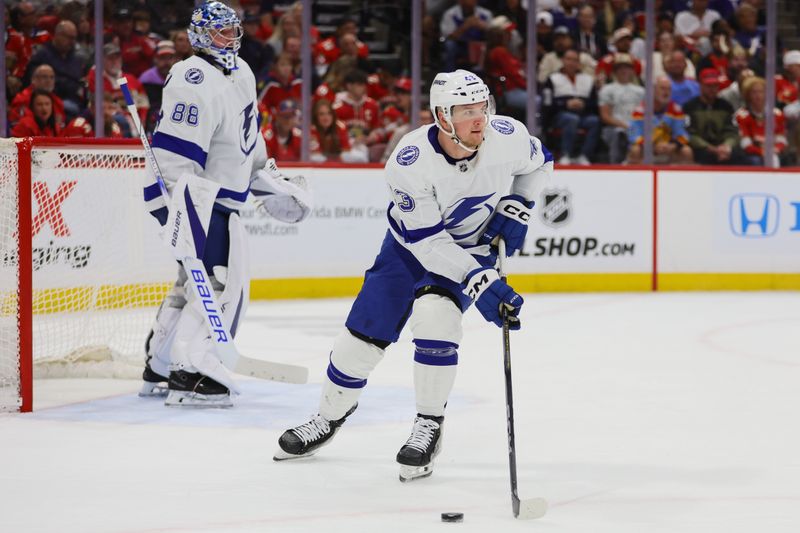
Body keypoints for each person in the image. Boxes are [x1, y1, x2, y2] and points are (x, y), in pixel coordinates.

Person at [275, 70, 553, 483]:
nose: (479, 119)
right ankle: (328, 416)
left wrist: (518, 205)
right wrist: (480, 280)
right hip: (408, 251)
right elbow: (429, 245)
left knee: (436, 316)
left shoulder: (507, 136)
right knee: (358, 343)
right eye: (465, 111)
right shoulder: (410, 162)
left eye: (482, 107)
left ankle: (429, 426)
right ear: (442, 117)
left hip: (471, 248)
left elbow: (540, 161)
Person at [139, 2, 311, 407]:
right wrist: (176, 214)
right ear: (200, 37)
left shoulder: (242, 72)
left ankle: (160, 366)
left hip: (220, 200)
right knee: (219, 285)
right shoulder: (191, 77)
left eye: (233, 30)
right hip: (198, 202)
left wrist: (265, 180)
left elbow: (246, 141)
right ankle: (193, 372)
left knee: (192, 285)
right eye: (221, 32)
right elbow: (174, 158)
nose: (231, 38)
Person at [542, 49, 599, 165]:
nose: (571, 63)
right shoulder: (552, 78)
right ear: (562, 60)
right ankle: (565, 154)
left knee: (594, 121)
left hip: (583, 114)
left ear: (579, 63)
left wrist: (584, 104)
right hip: (559, 115)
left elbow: (594, 102)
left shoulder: (588, 79)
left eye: (575, 60)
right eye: (568, 59)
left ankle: (584, 156)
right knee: (571, 119)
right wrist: (565, 104)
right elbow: (547, 102)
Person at [683, 68, 746, 165]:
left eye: (715, 85)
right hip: (700, 148)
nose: (712, 89)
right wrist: (709, 148)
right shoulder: (690, 107)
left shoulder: (725, 106)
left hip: (723, 148)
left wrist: (726, 145)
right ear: (700, 85)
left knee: (740, 155)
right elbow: (689, 133)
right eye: (708, 86)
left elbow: (732, 131)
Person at [627, 76, 693, 165]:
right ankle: (638, 178)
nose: (666, 92)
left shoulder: (676, 110)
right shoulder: (640, 110)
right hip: (647, 149)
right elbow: (633, 134)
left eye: (668, 89)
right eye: (662, 88)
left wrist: (673, 146)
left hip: (668, 149)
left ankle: (679, 178)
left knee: (686, 151)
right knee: (635, 150)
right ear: (653, 90)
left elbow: (683, 134)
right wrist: (651, 146)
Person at [598, 54, 645, 163]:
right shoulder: (607, 89)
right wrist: (625, 125)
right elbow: (604, 116)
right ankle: (616, 165)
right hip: (614, 127)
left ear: (632, 71)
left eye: (627, 67)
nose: (624, 71)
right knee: (619, 134)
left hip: (637, 127)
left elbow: (647, 113)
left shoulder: (641, 91)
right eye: (620, 68)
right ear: (615, 71)